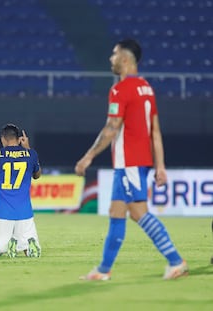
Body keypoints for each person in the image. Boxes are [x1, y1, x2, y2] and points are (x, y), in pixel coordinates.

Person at [75, 39, 188, 280]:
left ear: (125, 59)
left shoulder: (120, 89)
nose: (111, 58)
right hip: (135, 163)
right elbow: (155, 131)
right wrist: (159, 165)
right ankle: (103, 270)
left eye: (114, 54)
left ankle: (176, 261)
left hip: (129, 164)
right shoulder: (147, 88)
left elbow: (112, 127)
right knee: (117, 212)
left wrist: (88, 156)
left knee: (139, 213)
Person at [0, 123, 42, 258]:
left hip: (1, 211)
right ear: (19, 139)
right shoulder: (31, 154)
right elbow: (37, 175)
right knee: (27, 248)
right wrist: (28, 148)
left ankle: (6, 246)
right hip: (25, 212)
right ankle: (30, 249)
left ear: (3, 139)